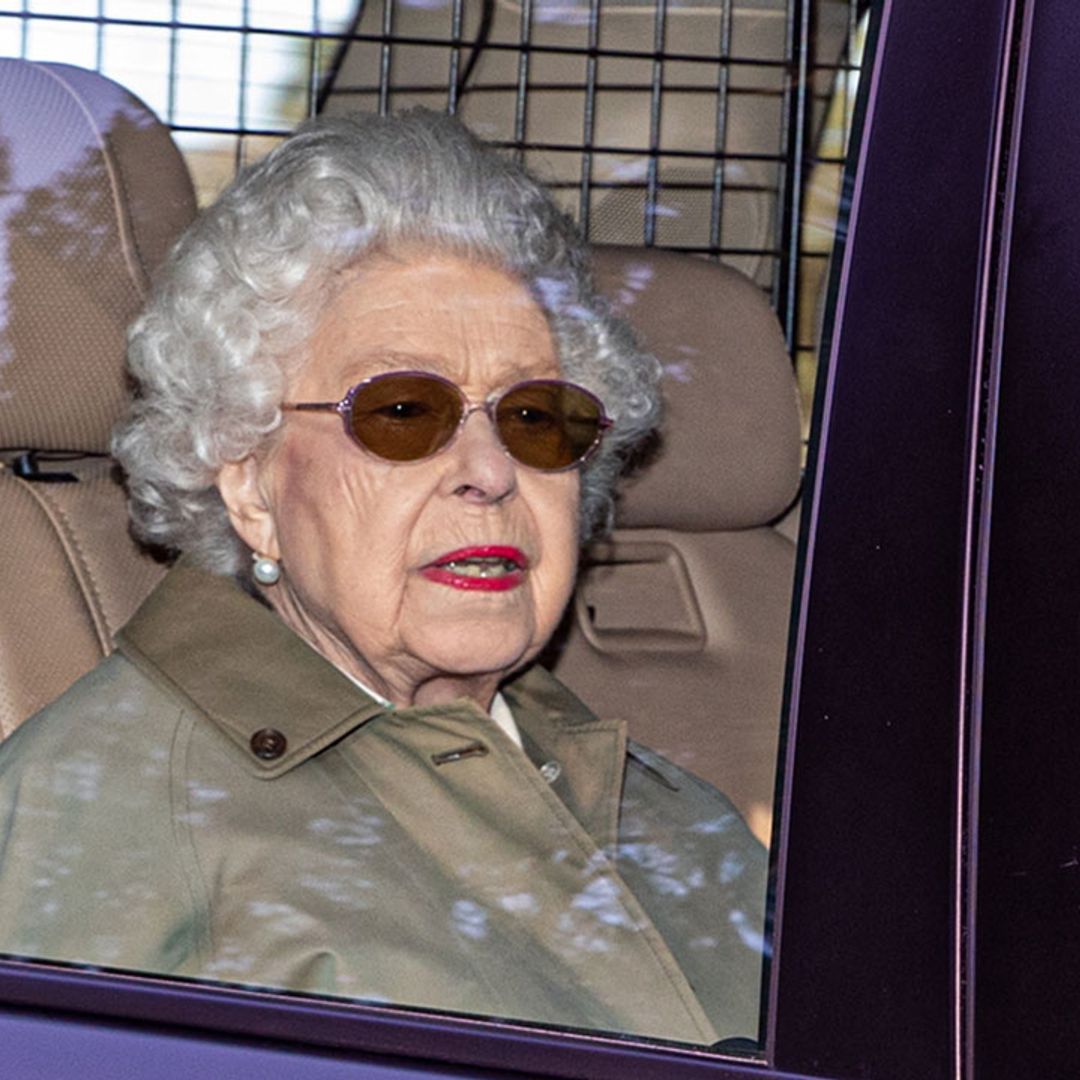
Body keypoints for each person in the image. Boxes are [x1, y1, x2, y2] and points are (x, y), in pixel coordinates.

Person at [0, 110, 766, 1046]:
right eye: (403, 410)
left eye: (535, 417)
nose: (489, 471)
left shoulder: (675, 809)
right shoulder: (96, 821)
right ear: (246, 477)